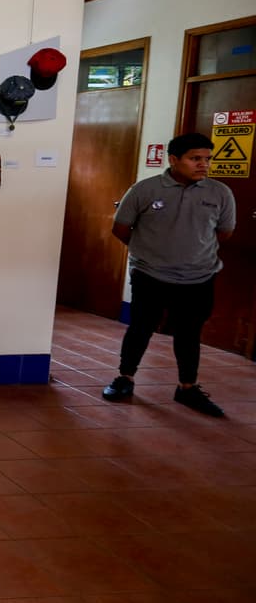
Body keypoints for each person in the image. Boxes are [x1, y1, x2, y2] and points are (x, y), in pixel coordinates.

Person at [102, 132, 236, 417]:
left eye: (207, 159)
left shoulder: (220, 193)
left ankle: (187, 387)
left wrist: (190, 253)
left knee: (189, 333)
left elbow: (224, 232)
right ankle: (125, 378)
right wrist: (152, 254)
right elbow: (121, 229)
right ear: (174, 160)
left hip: (198, 278)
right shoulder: (144, 190)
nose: (203, 165)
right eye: (195, 159)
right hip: (150, 275)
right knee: (140, 328)